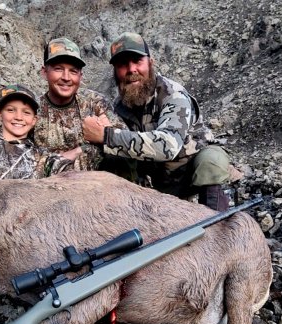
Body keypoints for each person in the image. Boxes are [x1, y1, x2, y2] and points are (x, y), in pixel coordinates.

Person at [82, 32, 243, 211]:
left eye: (137, 61)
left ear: (151, 62)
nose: (131, 69)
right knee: (114, 161)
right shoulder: (120, 106)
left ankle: (220, 224)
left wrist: (107, 136)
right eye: (122, 64)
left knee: (212, 159)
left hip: (191, 178)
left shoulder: (173, 95)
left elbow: (168, 145)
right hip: (157, 183)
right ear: (115, 72)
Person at [33, 37, 126, 175]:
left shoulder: (95, 103)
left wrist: (107, 133)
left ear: (80, 76)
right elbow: (19, 159)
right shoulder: (31, 109)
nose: (66, 77)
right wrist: (83, 150)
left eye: (73, 71)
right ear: (44, 72)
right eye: (58, 69)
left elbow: (125, 140)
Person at [0, 84, 42, 179]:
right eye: (10, 110)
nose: (18, 117)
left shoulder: (42, 157)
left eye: (26, 112)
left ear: (34, 120)